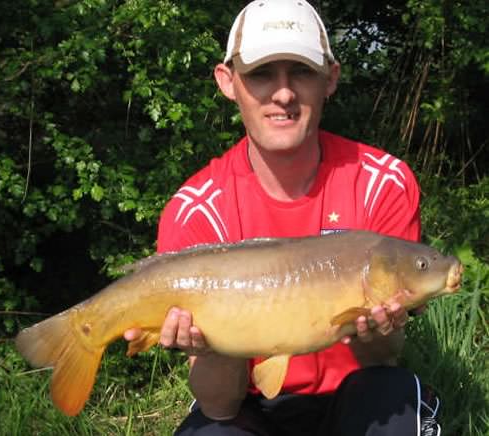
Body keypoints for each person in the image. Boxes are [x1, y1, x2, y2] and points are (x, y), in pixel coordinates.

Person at [125, 1, 441, 434]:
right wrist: (216, 345)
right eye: (260, 74)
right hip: (248, 404)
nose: (284, 94)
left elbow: (383, 360)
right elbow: (219, 404)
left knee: (392, 400)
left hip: (355, 394)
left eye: (302, 71)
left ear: (330, 78)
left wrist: (380, 326)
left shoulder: (382, 183)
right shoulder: (196, 209)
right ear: (227, 81)